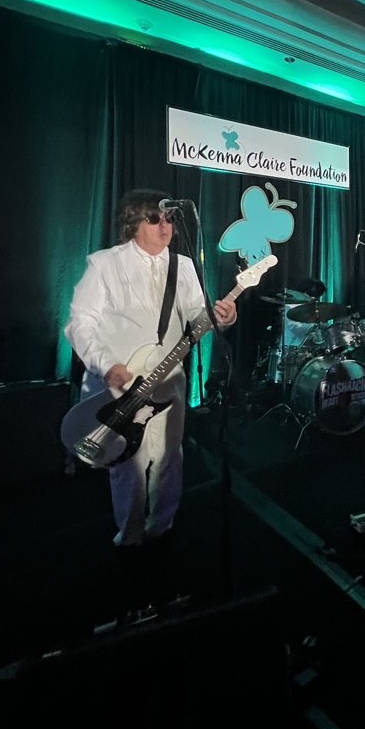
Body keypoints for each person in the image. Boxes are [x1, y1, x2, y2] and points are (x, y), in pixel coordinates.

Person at [64, 189, 237, 548]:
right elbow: (80, 323)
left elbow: (197, 315)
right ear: (133, 223)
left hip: (168, 380)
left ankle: (162, 526)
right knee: (128, 462)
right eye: (155, 218)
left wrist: (223, 316)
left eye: (170, 218)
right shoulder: (105, 264)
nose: (165, 226)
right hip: (121, 384)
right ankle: (130, 535)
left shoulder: (183, 266)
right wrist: (104, 364)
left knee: (169, 455)